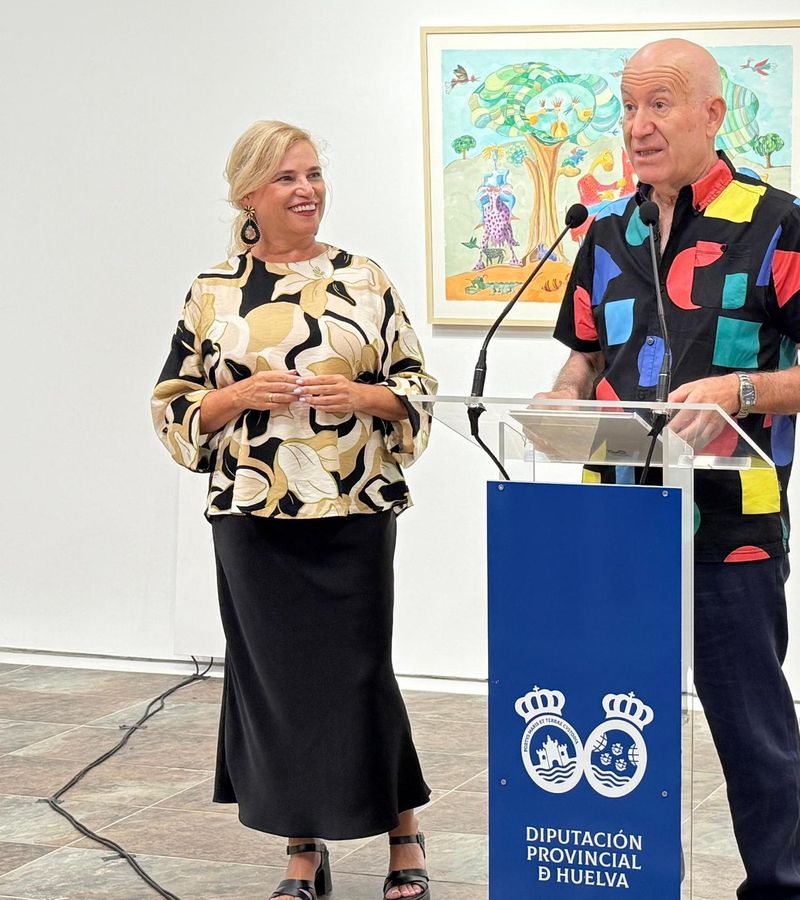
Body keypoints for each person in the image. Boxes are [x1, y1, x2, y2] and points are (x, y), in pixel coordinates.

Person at [538, 39, 800, 900]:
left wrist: (740, 388)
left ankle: (779, 891)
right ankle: (620, 882)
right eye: (629, 108)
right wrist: (562, 399)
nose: (638, 127)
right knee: (610, 723)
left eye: (661, 105)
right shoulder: (603, 234)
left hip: (734, 525)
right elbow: (579, 367)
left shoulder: (778, 222)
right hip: (617, 523)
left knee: (751, 733)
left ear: (714, 114)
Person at [150, 120, 438, 900]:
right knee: (277, 683)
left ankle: (402, 830)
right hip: (252, 516)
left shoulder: (365, 280)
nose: (306, 189)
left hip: (353, 506)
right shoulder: (212, 291)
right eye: (287, 178)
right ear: (248, 193)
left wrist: (362, 395)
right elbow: (172, 407)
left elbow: (417, 389)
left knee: (361, 674)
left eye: (313, 174)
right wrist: (236, 395)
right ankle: (301, 851)